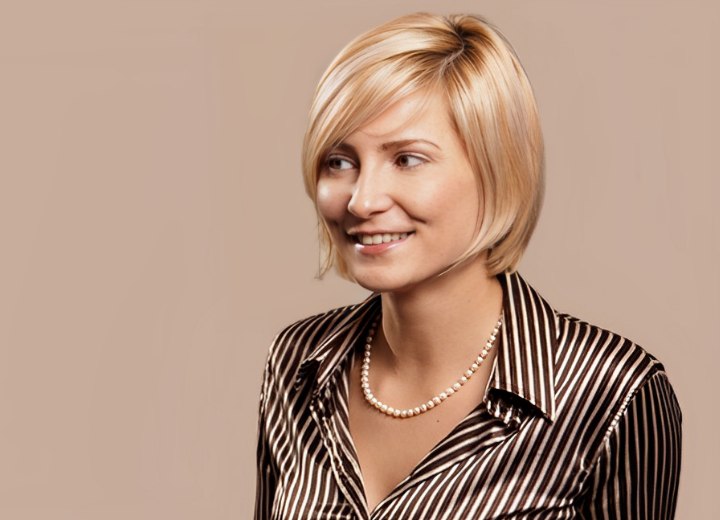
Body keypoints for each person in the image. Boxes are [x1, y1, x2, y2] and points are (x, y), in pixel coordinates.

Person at [255, 12, 681, 519]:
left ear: (496, 169)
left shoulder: (612, 396)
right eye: (340, 161)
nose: (362, 200)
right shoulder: (297, 366)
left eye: (407, 159)